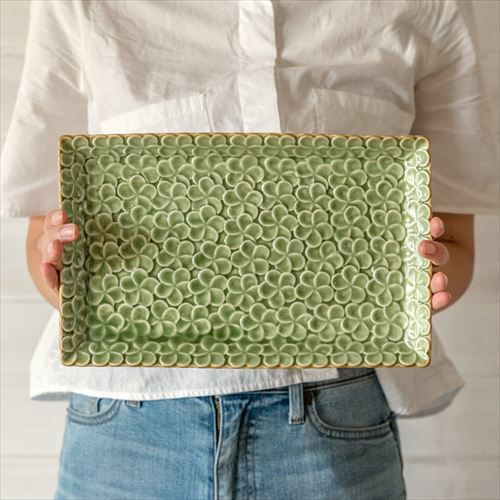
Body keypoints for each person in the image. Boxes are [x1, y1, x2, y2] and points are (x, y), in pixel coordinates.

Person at [1, 1, 497, 499]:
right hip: (127, 429)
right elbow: (44, 233)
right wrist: (65, 275)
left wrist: (423, 284)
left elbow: (454, 244)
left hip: (333, 427)